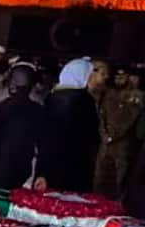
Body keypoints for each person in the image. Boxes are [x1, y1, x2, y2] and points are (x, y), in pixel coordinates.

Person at [38, 58, 100, 192]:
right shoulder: (84, 100)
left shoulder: (52, 97)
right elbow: (92, 135)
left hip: (49, 161)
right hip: (75, 164)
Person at [0, 63, 44, 190]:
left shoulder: (3, 107)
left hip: (1, 162)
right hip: (24, 163)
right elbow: (42, 141)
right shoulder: (37, 110)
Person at [93, 66, 145, 198]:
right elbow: (101, 114)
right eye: (117, 77)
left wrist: (114, 135)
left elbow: (131, 118)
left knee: (118, 181)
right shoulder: (108, 92)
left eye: (123, 77)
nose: (119, 79)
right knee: (99, 179)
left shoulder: (136, 95)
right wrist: (104, 134)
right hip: (104, 143)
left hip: (122, 144)